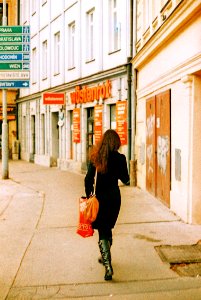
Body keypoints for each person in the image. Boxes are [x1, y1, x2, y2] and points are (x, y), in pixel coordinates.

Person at [84, 129, 130, 281]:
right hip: (114, 199)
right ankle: (105, 256)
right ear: (116, 142)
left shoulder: (96, 157)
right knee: (107, 227)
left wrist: (90, 194)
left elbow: (88, 179)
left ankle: (108, 265)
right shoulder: (121, 158)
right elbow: (126, 180)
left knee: (103, 230)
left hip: (99, 199)